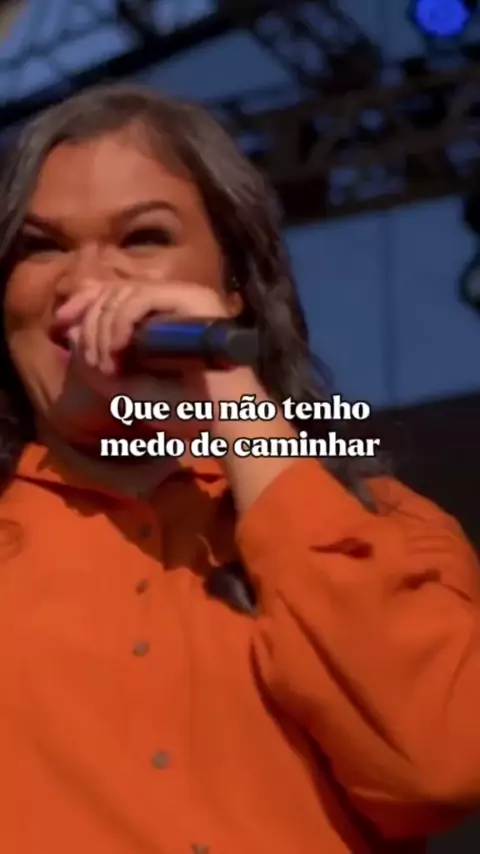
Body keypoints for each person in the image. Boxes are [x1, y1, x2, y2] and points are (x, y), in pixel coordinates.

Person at [0, 84, 479, 854]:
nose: (85, 282)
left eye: (143, 237)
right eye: (41, 246)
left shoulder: (392, 529)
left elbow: (440, 767)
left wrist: (229, 391)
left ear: (233, 293)